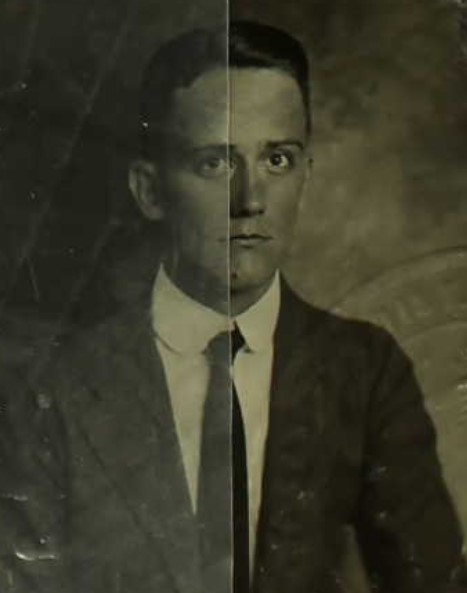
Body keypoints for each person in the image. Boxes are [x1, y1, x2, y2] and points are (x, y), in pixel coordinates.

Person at [1, 20, 466, 593]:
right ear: (149, 190)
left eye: (277, 161)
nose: (249, 202)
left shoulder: (365, 370)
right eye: (215, 163)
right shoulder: (55, 388)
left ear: (306, 175)